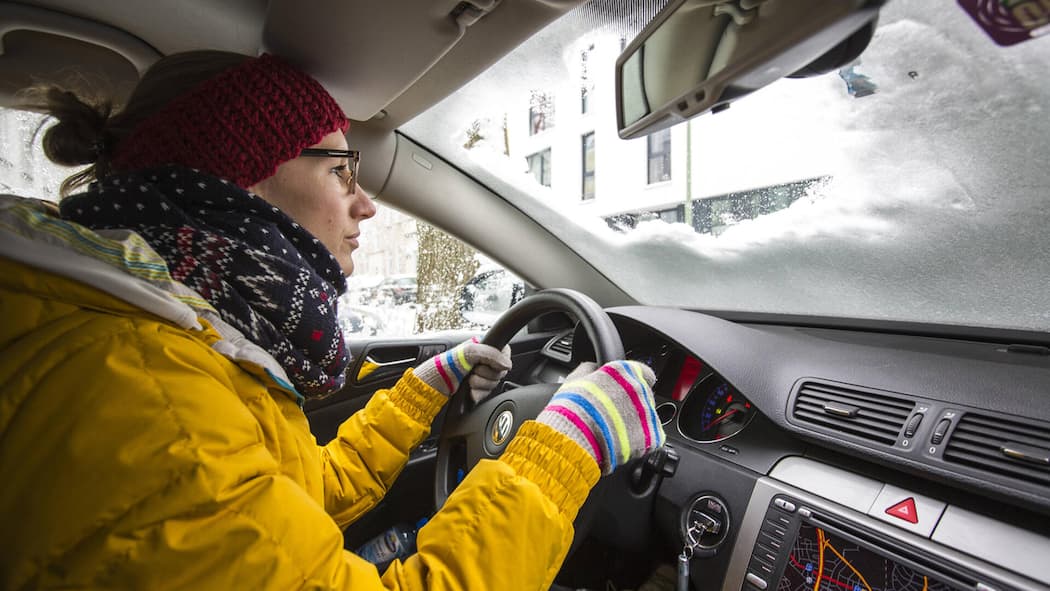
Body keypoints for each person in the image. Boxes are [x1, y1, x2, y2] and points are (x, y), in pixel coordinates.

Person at [0, 51, 666, 590]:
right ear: (239, 174)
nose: (365, 205)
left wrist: (422, 392)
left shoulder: (169, 341)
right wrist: (563, 447)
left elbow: (292, 495)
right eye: (343, 171)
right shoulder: (149, 397)